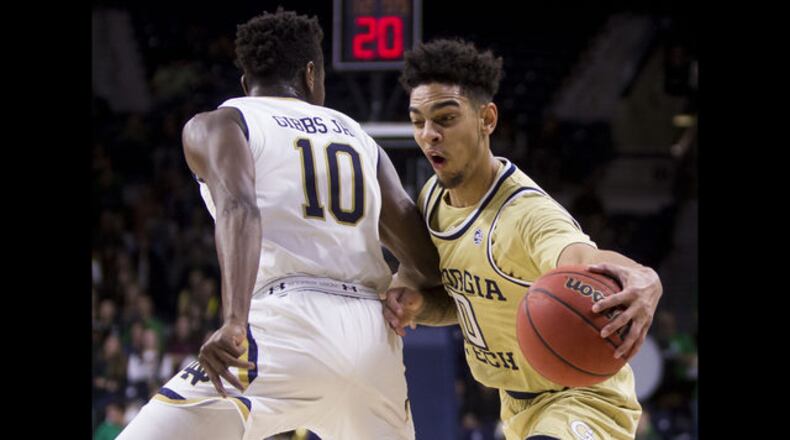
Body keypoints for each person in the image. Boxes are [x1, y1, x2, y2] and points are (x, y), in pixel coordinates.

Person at [118, 9, 440, 440]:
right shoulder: (358, 137)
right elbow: (424, 257)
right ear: (311, 75)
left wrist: (234, 320)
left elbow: (239, 207)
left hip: (284, 327)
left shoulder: (224, 122)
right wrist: (409, 286)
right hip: (372, 338)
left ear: (246, 84)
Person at [383, 38, 663, 440]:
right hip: (516, 407)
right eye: (418, 121)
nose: (429, 135)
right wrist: (420, 304)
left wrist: (645, 275)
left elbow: (583, 259)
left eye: (445, 119)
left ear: (487, 119)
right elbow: (464, 302)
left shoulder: (527, 215)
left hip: (584, 400)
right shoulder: (432, 201)